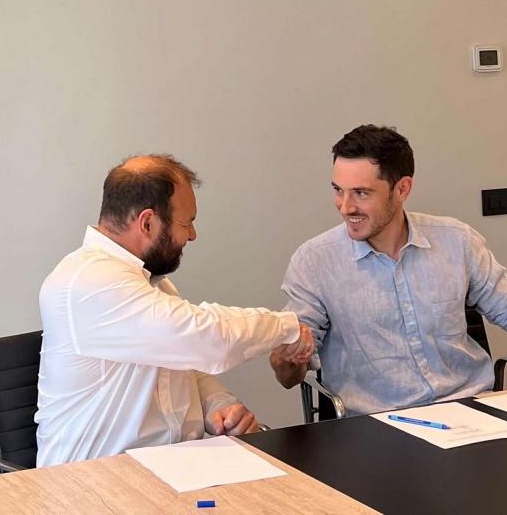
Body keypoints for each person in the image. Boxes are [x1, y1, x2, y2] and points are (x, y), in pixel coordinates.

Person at [270, 125, 507, 416]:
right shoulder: (315, 261)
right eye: (338, 191)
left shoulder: (455, 240)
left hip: (473, 412)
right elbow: (288, 377)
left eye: (361, 193)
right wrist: (288, 358)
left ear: (402, 189)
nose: (346, 207)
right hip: (377, 425)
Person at [35, 154, 314, 467]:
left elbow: (184, 364)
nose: (192, 235)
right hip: (92, 481)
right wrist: (287, 328)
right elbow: (207, 338)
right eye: (186, 222)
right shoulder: (87, 282)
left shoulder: (151, 284)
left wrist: (219, 406)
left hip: (168, 468)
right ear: (147, 222)